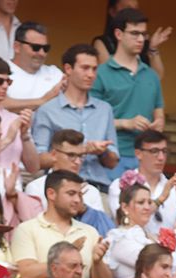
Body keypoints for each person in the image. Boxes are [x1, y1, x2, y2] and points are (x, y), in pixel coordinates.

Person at [31, 44, 118, 190]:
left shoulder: (105, 109)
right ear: (68, 69)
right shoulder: (47, 110)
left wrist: (102, 151)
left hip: (98, 186)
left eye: (94, 69)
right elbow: (38, 160)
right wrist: (79, 150)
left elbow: (113, 162)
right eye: (85, 68)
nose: (91, 74)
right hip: (61, 188)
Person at [91, 8, 162, 175]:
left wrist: (158, 123)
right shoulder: (100, 73)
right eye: (134, 33)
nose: (140, 39)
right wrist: (126, 123)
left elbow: (159, 112)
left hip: (147, 159)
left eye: (143, 34)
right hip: (112, 157)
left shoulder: (151, 75)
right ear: (118, 34)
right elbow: (91, 119)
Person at [11, 169, 109, 278]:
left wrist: (98, 262)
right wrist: (64, 257)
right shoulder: (26, 229)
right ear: (51, 194)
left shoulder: (90, 231)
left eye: (80, 195)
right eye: (71, 193)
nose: (78, 200)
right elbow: (25, 276)